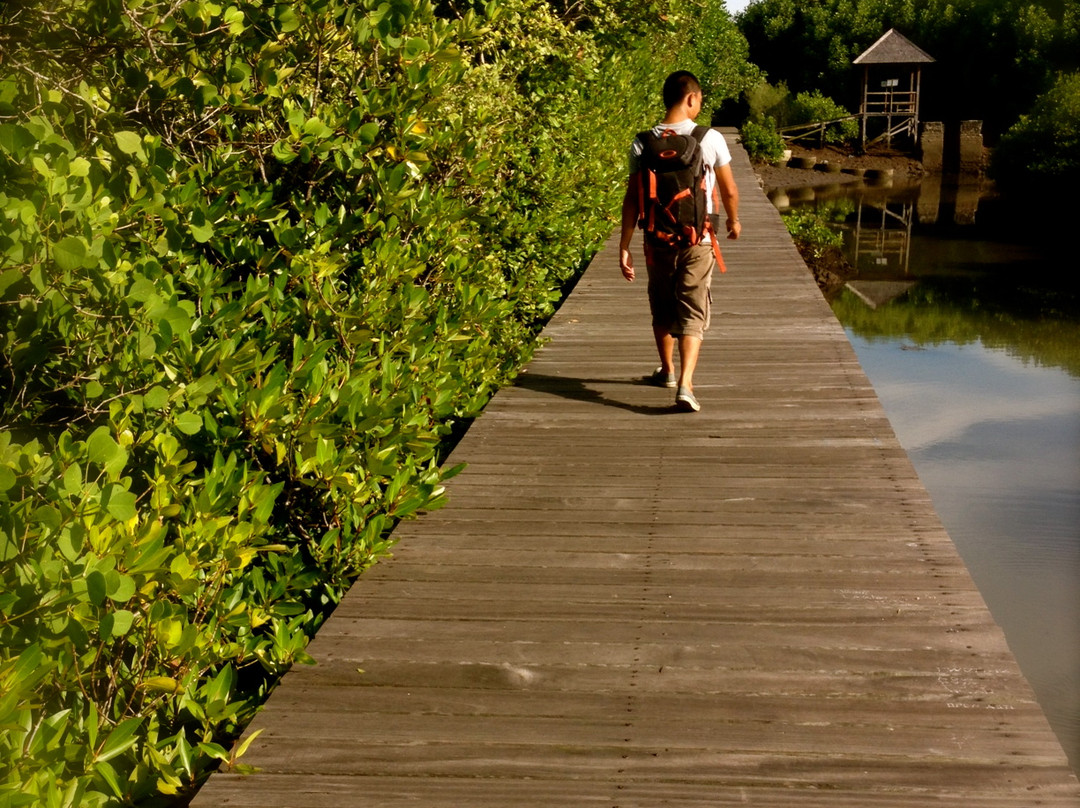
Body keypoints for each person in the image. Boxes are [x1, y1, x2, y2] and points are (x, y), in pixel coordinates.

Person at [619, 70, 741, 412]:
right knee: (693, 305)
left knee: (661, 303)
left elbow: (632, 198)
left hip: (656, 239)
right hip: (697, 239)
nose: (699, 105)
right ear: (691, 98)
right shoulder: (709, 138)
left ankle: (668, 371)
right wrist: (732, 220)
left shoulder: (642, 142)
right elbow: (729, 189)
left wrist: (624, 244)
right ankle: (686, 384)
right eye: (700, 99)